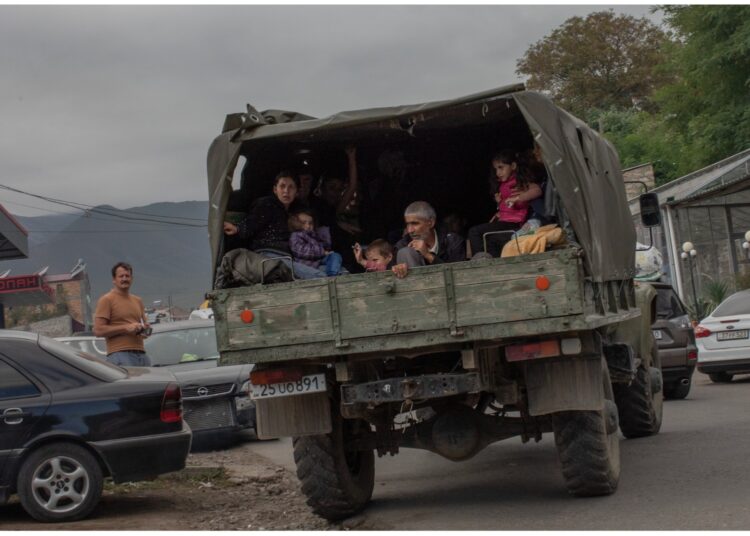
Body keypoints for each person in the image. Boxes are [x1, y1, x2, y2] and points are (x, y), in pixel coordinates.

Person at [224, 171, 326, 279]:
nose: (286, 191)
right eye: (282, 186)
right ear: (275, 190)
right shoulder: (266, 204)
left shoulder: (295, 212)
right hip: (268, 256)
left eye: (291, 187)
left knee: (329, 270)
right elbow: (252, 222)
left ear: (297, 192)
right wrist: (237, 229)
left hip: (288, 258)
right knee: (320, 276)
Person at [467, 150, 543, 257]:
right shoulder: (503, 184)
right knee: (489, 239)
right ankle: (491, 262)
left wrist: (518, 198)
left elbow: (537, 190)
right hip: (505, 221)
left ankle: (480, 261)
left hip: (514, 223)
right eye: (496, 169)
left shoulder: (519, 181)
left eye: (501, 167)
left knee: (474, 232)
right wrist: (500, 204)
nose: (498, 172)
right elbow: (507, 205)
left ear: (513, 166)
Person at [93, 262, 152, 366]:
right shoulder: (106, 300)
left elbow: (144, 329)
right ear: (114, 280)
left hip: (141, 354)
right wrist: (125, 328)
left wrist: (145, 329)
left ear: (132, 279)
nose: (125, 279)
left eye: (127, 276)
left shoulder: (138, 300)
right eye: (121, 276)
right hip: (120, 354)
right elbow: (98, 330)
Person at [394, 201, 466, 268]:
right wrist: (399, 269)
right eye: (407, 224)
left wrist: (428, 255)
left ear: (431, 223)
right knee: (406, 252)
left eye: (415, 223)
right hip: (415, 278)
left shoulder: (452, 241)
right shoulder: (402, 245)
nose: (410, 230)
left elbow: (460, 273)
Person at [288, 207, 344, 277]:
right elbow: (301, 251)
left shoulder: (313, 234)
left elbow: (320, 245)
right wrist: (323, 252)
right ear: (295, 223)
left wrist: (325, 246)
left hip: (318, 261)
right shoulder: (295, 235)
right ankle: (332, 277)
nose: (308, 226)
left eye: (310, 223)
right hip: (306, 263)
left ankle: (333, 274)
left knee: (335, 255)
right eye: (303, 223)